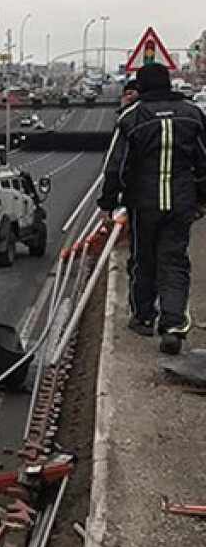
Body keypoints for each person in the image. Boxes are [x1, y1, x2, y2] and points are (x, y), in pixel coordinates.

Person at [98, 62, 206, 355]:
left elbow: (115, 167)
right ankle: (173, 325)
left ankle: (144, 317)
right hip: (181, 201)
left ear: (142, 86)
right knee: (174, 261)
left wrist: (107, 203)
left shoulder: (132, 117)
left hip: (143, 204)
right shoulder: (193, 115)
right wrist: (201, 198)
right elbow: (203, 161)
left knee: (143, 259)